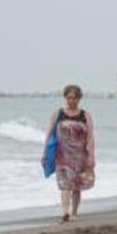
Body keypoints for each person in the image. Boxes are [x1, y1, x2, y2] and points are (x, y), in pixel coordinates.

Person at [43, 84, 95, 222]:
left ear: (79, 99)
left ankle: (74, 213)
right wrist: (45, 154)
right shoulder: (58, 114)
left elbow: (90, 137)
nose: (72, 100)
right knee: (64, 184)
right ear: (65, 98)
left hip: (79, 155)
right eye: (69, 98)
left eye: (75, 98)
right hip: (62, 154)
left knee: (77, 185)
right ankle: (65, 212)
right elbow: (49, 134)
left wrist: (91, 156)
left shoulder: (85, 115)